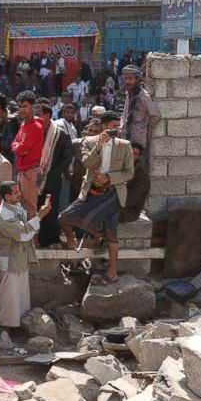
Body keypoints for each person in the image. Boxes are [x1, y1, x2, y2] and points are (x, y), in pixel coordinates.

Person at [59, 112, 134, 283]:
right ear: (104, 127)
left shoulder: (125, 145)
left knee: (112, 234)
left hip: (112, 193)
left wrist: (109, 178)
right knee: (63, 217)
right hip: (91, 192)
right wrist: (99, 146)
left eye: (119, 126)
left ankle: (112, 271)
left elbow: (129, 173)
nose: (118, 129)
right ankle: (78, 239)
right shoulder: (89, 142)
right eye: (114, 126)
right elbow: (87, 164)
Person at [0, 181, 49, 331]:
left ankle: (16, 322)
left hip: (19, 257)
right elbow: (22, 235)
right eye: (16, 193)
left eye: (18, 191)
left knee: (19, 292)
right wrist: (39, 217)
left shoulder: (14, 207)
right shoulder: (4, 214)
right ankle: (1, 321)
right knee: (9, 294)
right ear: (7, 197)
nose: (20, 194)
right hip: (11, 259)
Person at [36, 103, 74, 247]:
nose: (36, 117)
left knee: (49, 211)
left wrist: (54, 172)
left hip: (51, 182)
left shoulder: (60, 134)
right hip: (35, 180)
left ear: (47, 116)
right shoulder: (34, 131)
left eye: (38, 114)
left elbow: (67, 157)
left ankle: (51, 240)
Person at [11, 92, 44, 218]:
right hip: (23, 171)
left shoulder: (35, 126)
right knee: (22, 207)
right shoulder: (24, 124)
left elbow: (19, 148)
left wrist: (18, 147)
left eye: (25, 106)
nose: (21, 109)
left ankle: (31, 238)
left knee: (29, 210)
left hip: (30, 173)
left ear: (33, 107)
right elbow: (14, 145)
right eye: (19, 106)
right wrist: (18, 147)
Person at [118, 65, 161, 157]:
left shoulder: (143, 96)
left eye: (130, 79)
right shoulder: (128, 94)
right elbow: (125, 114)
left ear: (137, 80)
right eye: (125, 78)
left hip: (138, 141)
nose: (127, 82)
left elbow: (156, 115)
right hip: (125, 138)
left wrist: (147, 131)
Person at [120, 142, 150, 224]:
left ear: (139, 157)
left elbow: (130, 201)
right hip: (116, 204)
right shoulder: (120, 168)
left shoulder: (141, 177)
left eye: (135, 154)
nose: (131, 155)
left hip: (129, 211)